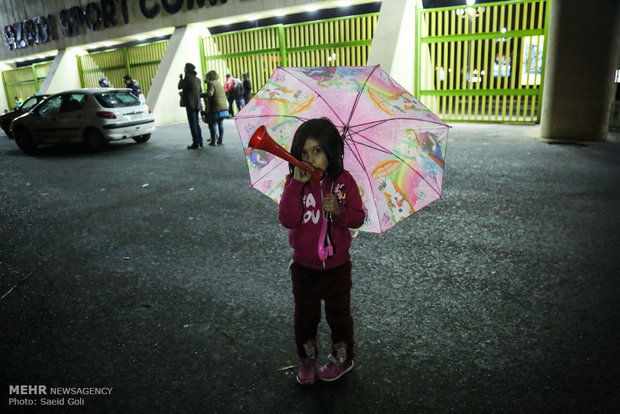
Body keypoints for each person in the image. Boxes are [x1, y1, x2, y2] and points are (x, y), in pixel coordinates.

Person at [278, 118, 365, 385]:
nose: (310, 158)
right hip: (304, 268)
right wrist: (295, 184)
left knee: (339, 317)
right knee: (305, 318)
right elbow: (288, 219)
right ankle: (306, 358)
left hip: (337, 268)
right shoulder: (293, 183)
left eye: (317, 151)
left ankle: (342, 358)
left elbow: (358, 218)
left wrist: (339, 211)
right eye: (304, 152)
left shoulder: (344, 182)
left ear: (331, 152)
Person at [178, 63, 204, 149]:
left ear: (187, 70)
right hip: (197, 104)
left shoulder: (188, 79)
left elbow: (180, 87)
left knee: (192, 124)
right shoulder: (198, 79)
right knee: (197, 123)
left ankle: (195, 143)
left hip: (190, 104)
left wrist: (181, 79)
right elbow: (200, 91)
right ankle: (200, 141)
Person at [202, 71, 229, 146]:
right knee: (220, 124)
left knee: (213, 124)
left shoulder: (211, 83)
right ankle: (220, 140)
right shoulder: (218, 83)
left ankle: (213, 141)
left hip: (215, 108)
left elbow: (209, 94)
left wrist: (200, 95)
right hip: (223, 107)